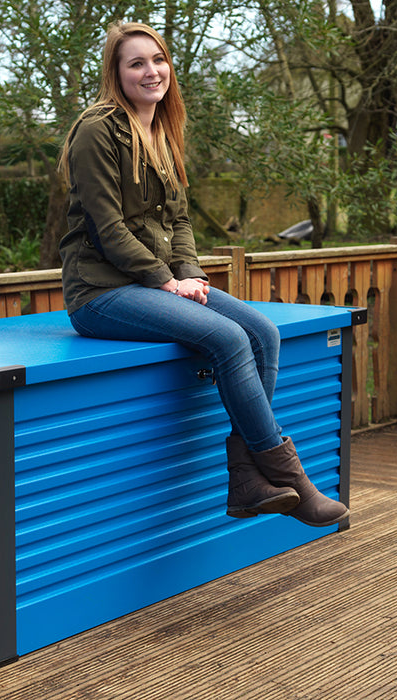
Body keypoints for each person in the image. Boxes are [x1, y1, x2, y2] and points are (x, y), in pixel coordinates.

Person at [58, 21, 349, 528]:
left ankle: (247, 482)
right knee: (230, 340)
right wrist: (166, 281)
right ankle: (292, 481)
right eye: (137, 63)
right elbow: (106, 228)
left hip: (156, 282)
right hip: (101, 290)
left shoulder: (162, 132)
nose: (152, 71)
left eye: (158, 60)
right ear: (116, 72)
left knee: (264, 333)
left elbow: (180, 221)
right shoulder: (97, 129)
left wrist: (189, 273)